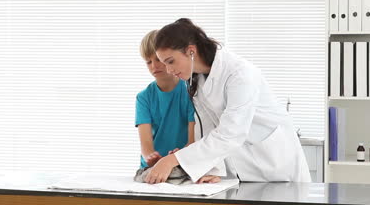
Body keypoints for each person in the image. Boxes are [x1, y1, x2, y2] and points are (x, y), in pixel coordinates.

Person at [145, 18, 311, 184]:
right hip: (242, 170)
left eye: (170, 61)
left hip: (276, 167)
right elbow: (207, 130)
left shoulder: (240, 74)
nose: (168, 70)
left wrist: (174, 160)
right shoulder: (197, 80)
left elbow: (231, 133)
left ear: (191, 51)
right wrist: (211, 169)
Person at [133, 29, 197, 183]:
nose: (154, 66)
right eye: (148, 62)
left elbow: (192, 141)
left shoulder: (190, 91)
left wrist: (177, 157)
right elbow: (146, 145)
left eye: (158, 59)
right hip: (150, 167)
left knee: (176, 176)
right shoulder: (143, 97)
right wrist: (151, 157)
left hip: (181, 163)